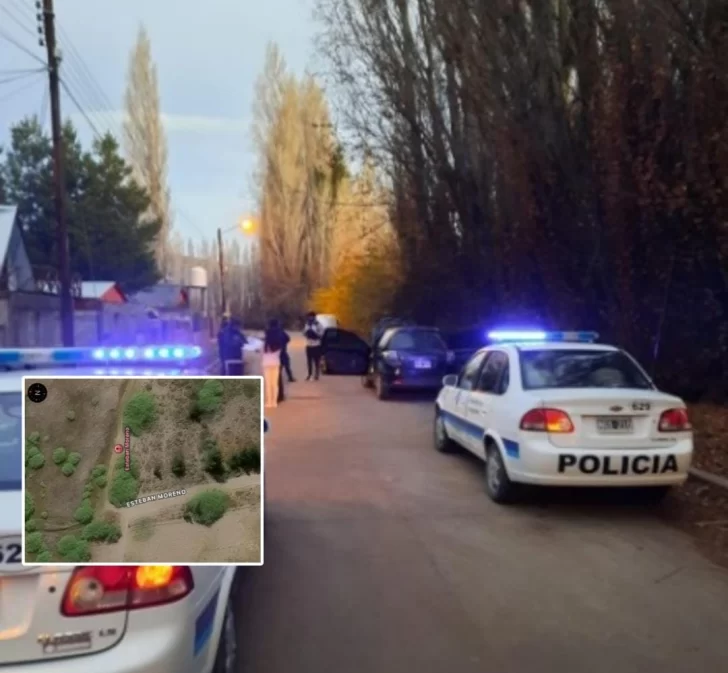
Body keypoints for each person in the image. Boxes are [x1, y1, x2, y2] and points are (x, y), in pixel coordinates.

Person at [262, 323, 284, 408]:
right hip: (275, 364)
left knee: (268, 384)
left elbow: (260, 352)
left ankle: (269, 402)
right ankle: (274, 402)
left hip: (266, 364)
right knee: (275, 384)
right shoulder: (279, 344)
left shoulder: (265, 344)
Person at [302, 311, 323, 380]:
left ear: (314, 317)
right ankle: (309, 374)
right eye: (309, 316)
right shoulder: (307, 324)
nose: (310, 318)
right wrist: (307, 333)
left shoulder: (318, 324)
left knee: (316, 361)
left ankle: (316, 374)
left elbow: (321, 334)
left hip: (316, 345)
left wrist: (315, 333)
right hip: (309, 344)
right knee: (309, 361)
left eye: (311, 316)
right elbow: (304, 333)